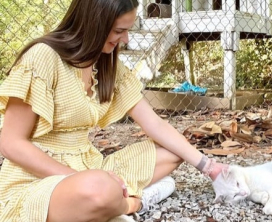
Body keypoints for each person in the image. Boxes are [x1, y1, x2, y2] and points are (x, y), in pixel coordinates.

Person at [0, 0, 225, 221]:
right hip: (36, 178)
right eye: (119, 30)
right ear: (94, 23)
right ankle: (132, 203)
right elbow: (10, 143)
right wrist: (82, 178)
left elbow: (154, 124)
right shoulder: (43, 56)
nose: (125, 39)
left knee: (176, 151)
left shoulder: (106, 64)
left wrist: (210, 168)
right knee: (99, 188)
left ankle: (110, 200)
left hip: (91, 166)